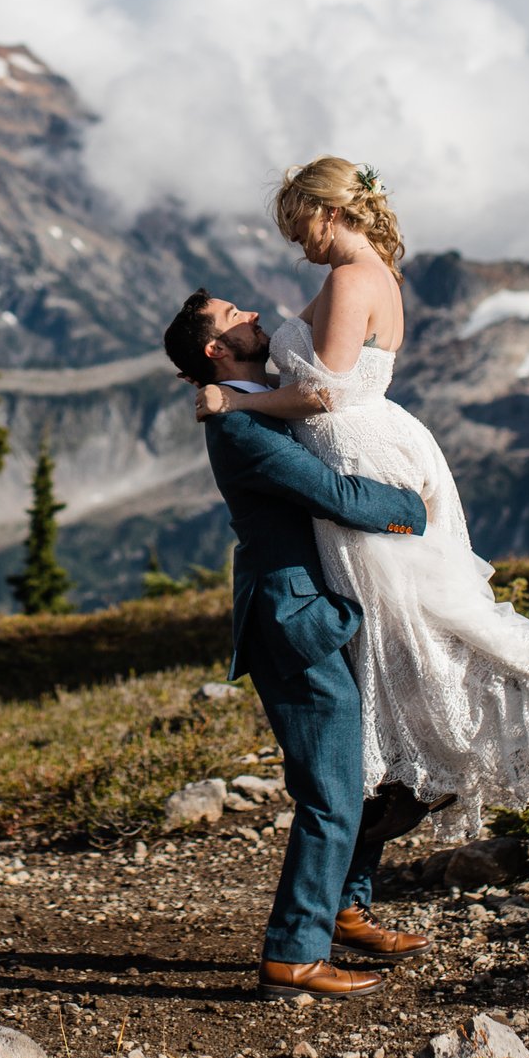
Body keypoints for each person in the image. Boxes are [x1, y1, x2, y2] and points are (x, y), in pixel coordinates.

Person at [193, 156, 529, 836]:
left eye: (302, 227)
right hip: (366, 437)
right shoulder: (362, 271)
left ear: (330, 211)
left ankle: (501, 702)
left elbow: (326, 390)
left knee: (399, 616)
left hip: (352, 447)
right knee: (399, 615)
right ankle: (403, 777)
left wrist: (234, 396)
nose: (301, 243)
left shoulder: (351, 278)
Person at [163, 291, 438, 1000]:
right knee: (332, 788)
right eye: (232, 316)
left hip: (329, 603)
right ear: (215, 352)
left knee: (371, 767)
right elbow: (335, 494)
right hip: (295, 617)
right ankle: (293, 952)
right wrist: (419, 509)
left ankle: (345, 906)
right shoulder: (239, 431)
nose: (251, 313)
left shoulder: (256, 396)